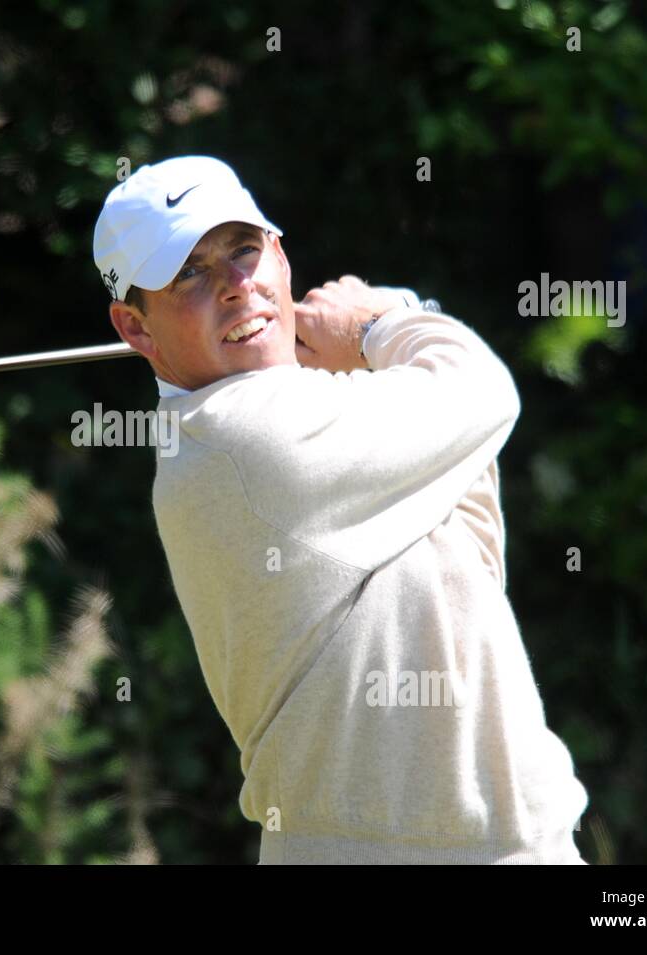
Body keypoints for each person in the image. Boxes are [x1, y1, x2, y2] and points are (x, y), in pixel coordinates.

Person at [92, 155, 589, 864]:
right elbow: (485, 394)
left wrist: (367, 348)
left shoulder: (292, 417)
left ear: (280, 256)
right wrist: (382, 324)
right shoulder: (244, 437)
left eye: (244, 249)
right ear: (135, 329)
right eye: (189, 275)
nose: (237, 287)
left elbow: (471, 514)